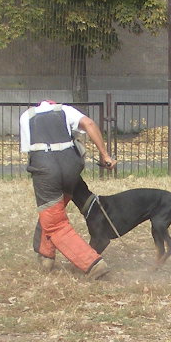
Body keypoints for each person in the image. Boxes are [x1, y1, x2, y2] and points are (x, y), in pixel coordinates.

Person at [19, 99, 116, 278]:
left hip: (46, 167)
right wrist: (104, 155)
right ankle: (45, 256)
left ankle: (93, 263)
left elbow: (30, 151)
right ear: (53, 104)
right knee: (53, 210)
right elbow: (89, 123)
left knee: (54, 222)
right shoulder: (64, 109)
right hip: (72, 164)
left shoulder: (27, 116)